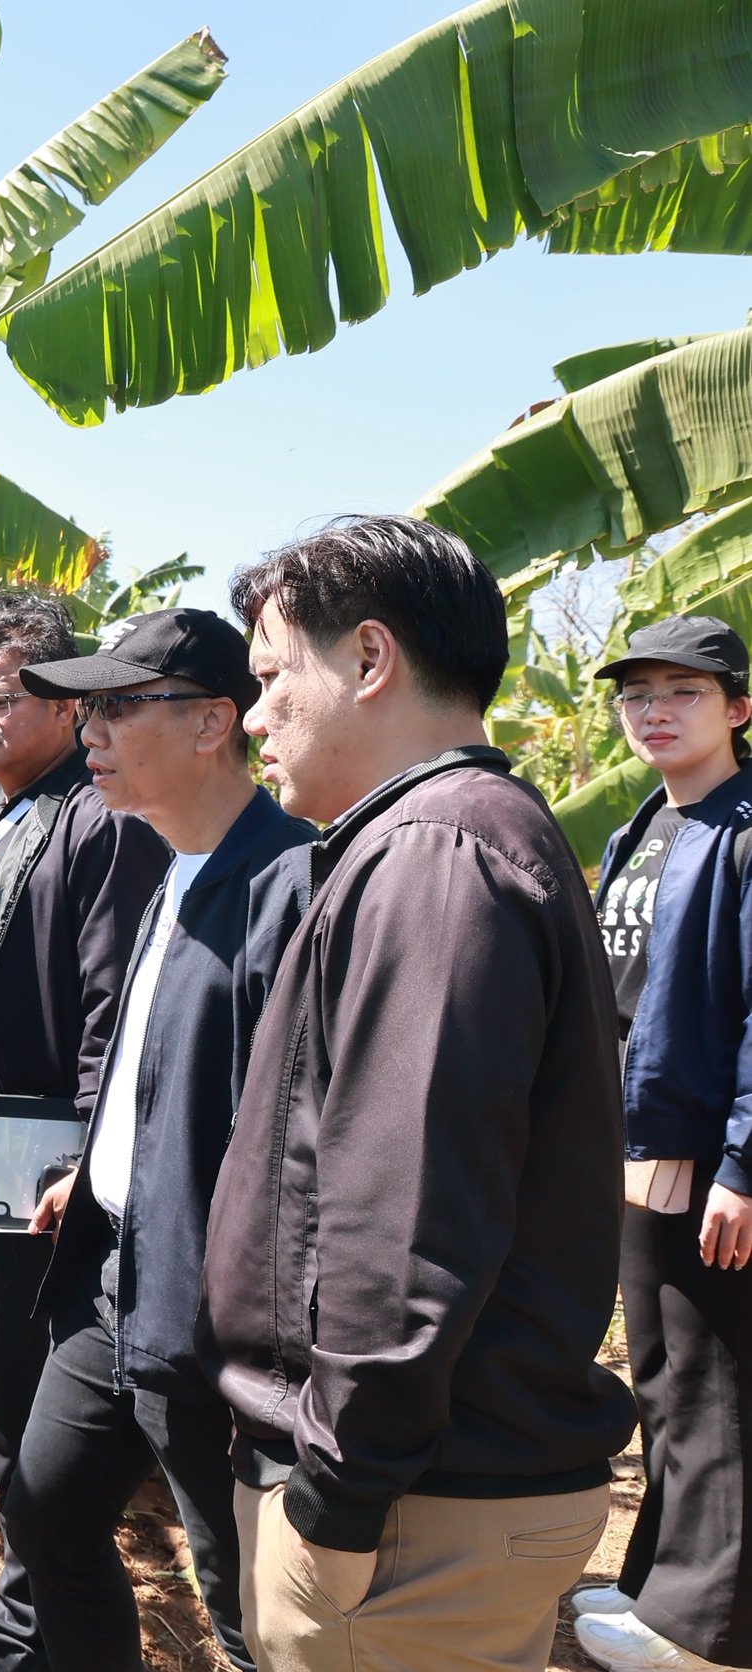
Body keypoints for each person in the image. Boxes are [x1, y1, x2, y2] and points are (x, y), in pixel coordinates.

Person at [204, 515, 635, 1671]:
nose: (253, 718)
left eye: (269, 676)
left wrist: (335, 1504)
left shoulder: (437, 854)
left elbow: (403, 1220)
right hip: (415, 1493)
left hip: (404, 1515)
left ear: (369, 659)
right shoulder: (429, 840)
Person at [0, 609, 315, 1672]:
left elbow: (289, 1134)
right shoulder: (173, 865)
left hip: (213, 1315)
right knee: (45, 1512)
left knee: (245, 1596)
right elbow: (140, 1050)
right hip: (115, 1277)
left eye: (116, 704)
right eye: (84, 705)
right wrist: (95, 1168)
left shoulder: (288, 884)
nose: (89, 727)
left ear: (213, 723)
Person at [0, 591, 172, 1659]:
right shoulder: (12, 813)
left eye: (4, 696)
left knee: (34, 1423)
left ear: (70, 704)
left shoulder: (99, 819)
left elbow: (117, 1012)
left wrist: (84, 1163)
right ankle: (27, 1613)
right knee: (2, 1411)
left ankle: (37, 1633)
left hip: (43, 1175)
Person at [571, 614, 752, 1672]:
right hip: (638, 1145)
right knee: (662, 1373)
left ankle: (710, 1626)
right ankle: (659, 1578)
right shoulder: (645, 827)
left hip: (705, 1155)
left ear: (737, 709)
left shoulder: (742, 828)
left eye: (682, 692)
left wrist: (743, 1164)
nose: (655, 710)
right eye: (638, 693)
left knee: (712, 1381)